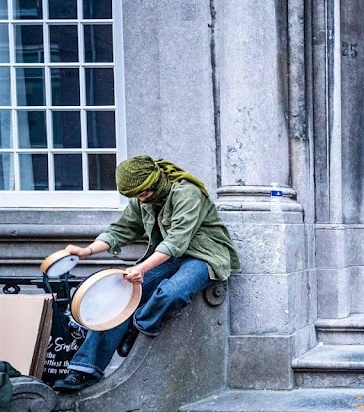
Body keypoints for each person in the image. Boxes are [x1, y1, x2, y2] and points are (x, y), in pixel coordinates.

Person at [52, 156, 241, 392]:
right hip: (168, 257)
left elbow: (176, 241)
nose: (139, 199)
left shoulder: (187, 193)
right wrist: (86, 251)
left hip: (204, 256)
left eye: (142, 194)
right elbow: (122, 230)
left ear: (153, 184)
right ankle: (84, 370)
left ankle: (137, 325)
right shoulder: (142, 199)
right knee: (118, 299)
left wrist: (141, 268)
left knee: (172, 293)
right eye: (135, 196)